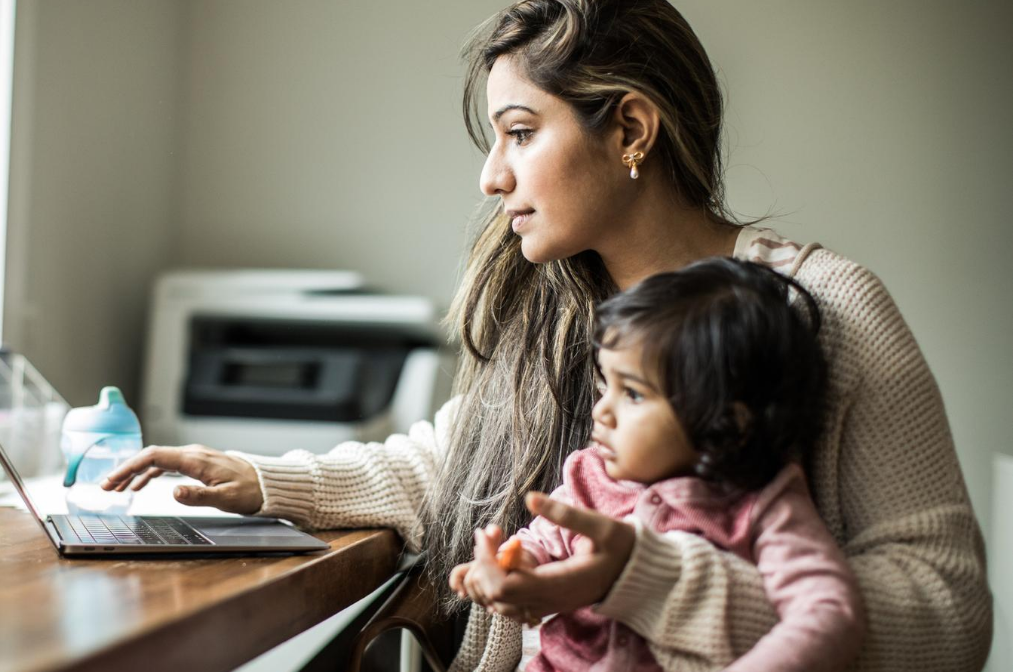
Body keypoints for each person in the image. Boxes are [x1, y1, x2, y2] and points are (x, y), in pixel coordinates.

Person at [102, 1, 992, 670]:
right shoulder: (552, 306)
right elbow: (451, 468)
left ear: (632, 130)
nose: (493, 177)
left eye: (521, 133)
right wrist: (258, 481)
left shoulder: (822, 310)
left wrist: (644, 582)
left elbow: (948, 612)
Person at [450, 257, 865, 671]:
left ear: (727, 422)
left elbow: (828, 613)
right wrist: (509, 567)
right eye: (605, 384)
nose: (602, 411)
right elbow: (539, 542)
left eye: (632, 394)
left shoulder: (765, 503)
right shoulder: (589, 477)